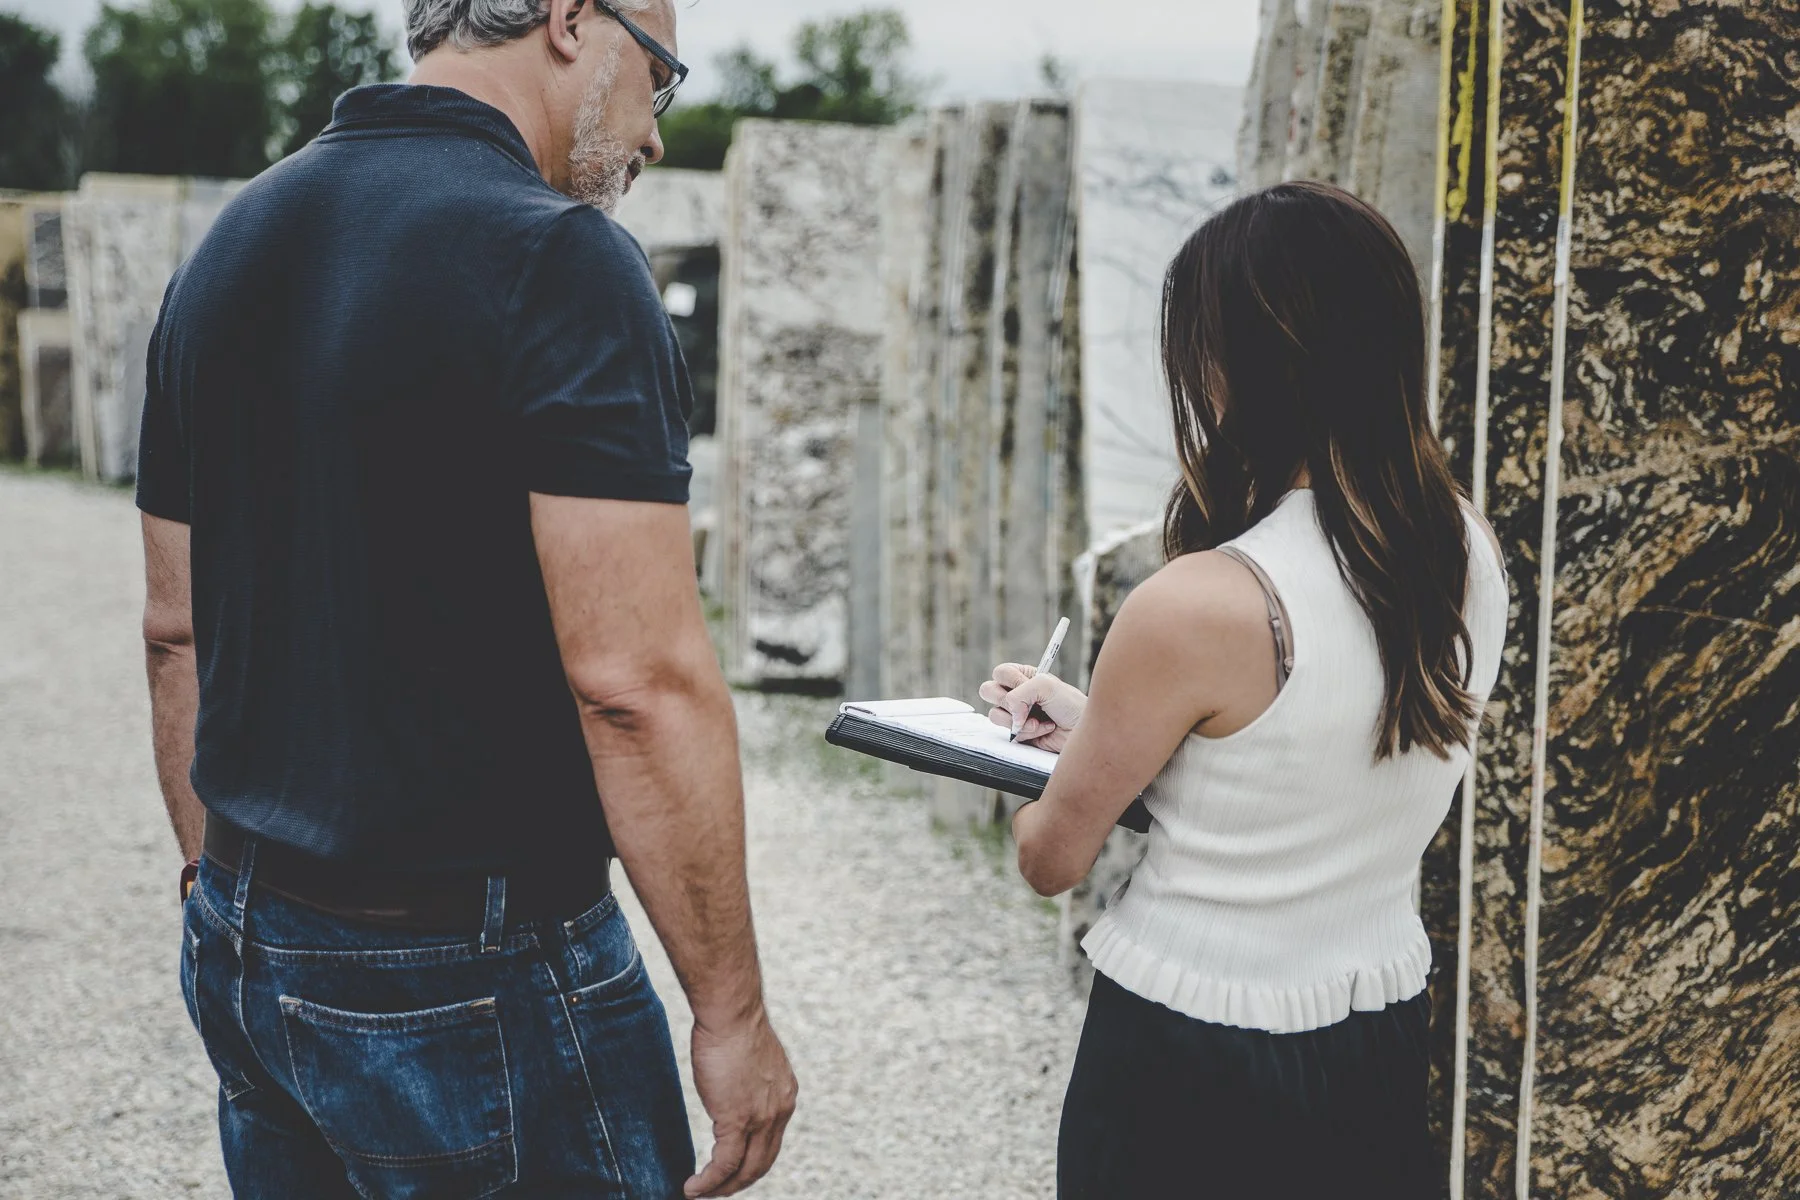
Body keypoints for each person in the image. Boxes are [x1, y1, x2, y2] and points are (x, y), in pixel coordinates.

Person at [137, 1, 796, 1195]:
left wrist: (212, 891)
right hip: (470, 962)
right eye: (660, 75)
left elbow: (175, 631)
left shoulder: (230, 245)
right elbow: (635, 685)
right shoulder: (560, 259)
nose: (653, 134)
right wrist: (732, 1014)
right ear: (566, 19)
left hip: (243, 929)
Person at [982, 181, 1509, 1198]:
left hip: (1188, 1057)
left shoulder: (1199, 603)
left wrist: (1023, 764)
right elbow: (1305, 757)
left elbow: (1050, 858)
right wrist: (1104, 731)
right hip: (1374, 1039)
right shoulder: (1467, 555)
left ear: (1236, 363)